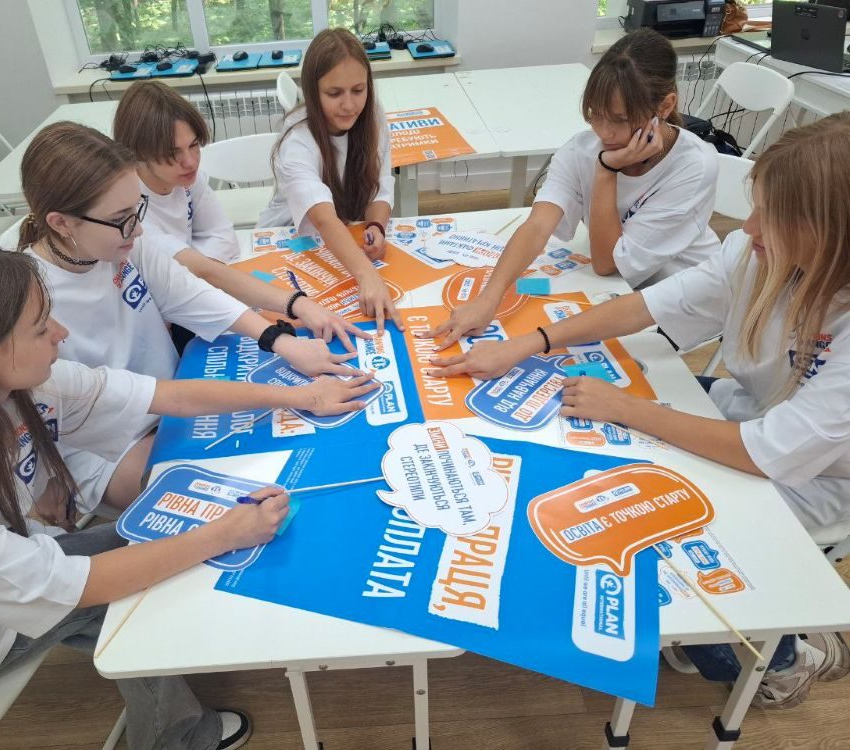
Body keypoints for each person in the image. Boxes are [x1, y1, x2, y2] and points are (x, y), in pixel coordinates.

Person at [0, 245, 376, 749]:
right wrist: (226, 532)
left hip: (3, 569)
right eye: (40, 328)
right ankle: (181, 738)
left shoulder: (5, 386)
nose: (60, 335)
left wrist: (299, 395)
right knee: (144, 592)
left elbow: (164, 395)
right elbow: (80, 585)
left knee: (169, 540)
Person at [431, 112, 850, 708]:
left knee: (653, 527)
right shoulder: (756, 256)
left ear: (829, 233)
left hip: (814, 475)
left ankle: (780, 660)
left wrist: (626, 409)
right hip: (747, 414)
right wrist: (530, 343)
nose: (748, 226)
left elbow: (767, 453)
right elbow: (645, 306)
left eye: (769, 217)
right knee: (601, 452)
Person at [0, 122, 364, 517]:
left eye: (137, 208)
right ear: (61, 222)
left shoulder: (123, 243)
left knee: (292, 452)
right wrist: (301, 387)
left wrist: (281, 339)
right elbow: (131, 403)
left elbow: (192, 294)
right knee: (252, 497)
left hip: (176, 400)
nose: (138, 228)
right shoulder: (26, 300)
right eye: (122, 217)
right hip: (110, 448)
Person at [423, 28, 720, 350]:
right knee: (530, 316)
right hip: (614, 288)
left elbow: (608, 263)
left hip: (680, 301)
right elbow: (538, 225)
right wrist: (488, 298)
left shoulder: (694, 165)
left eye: (619, 120)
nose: (603, 132)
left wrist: (606, 171)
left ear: (664, 106)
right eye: (595, 115)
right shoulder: (581, 149)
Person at [112, 79, 367, 351]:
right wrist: (297, 303)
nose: (190, 161)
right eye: (172, 154)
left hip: (192, 298)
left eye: (195, 146)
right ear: (138, 154)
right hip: (161, 332)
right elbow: (203, 270)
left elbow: (223, 237)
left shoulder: (187, 178)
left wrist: (191, 263)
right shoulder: (129, 208)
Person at [258, 28, 401, 332]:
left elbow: (381, 183)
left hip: (344, 238)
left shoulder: (373, 115)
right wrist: (366, 275)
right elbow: (322, 218)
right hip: (290, 242)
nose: (349, 105)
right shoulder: (296, 139)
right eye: (334, 94)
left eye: (358, 90)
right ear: (312, 92)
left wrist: (375, 226)